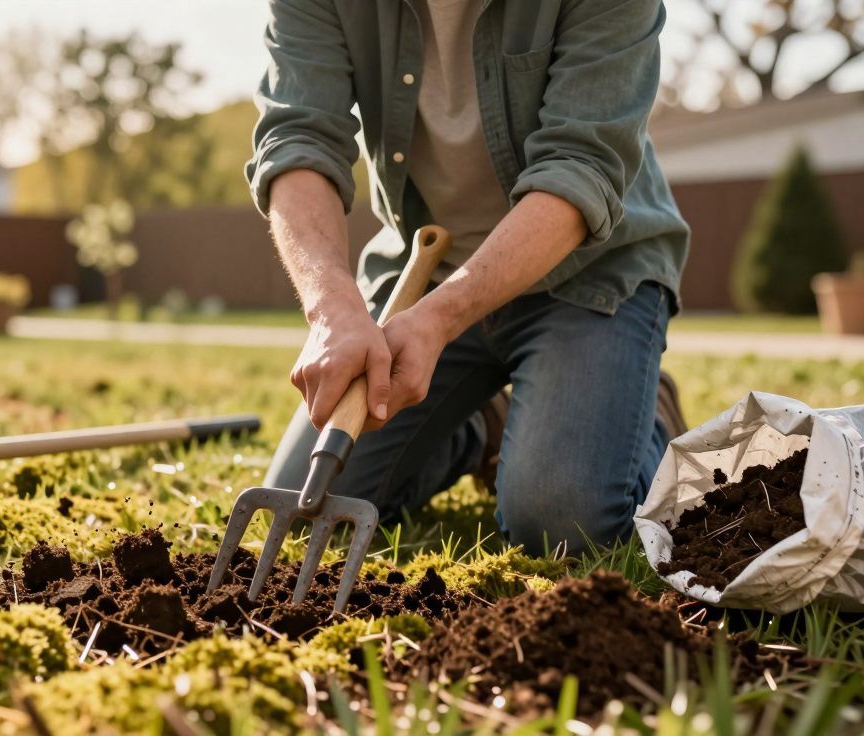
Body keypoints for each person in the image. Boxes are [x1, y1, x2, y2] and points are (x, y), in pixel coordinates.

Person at [247, 0, 691, 556]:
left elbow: (581, 167)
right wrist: (332, 309)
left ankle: (645, 416)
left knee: (561, 526)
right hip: (424, 271)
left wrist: (442, 319)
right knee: (305, 505)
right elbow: (297, 141)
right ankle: (482, 423)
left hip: (589, 274)